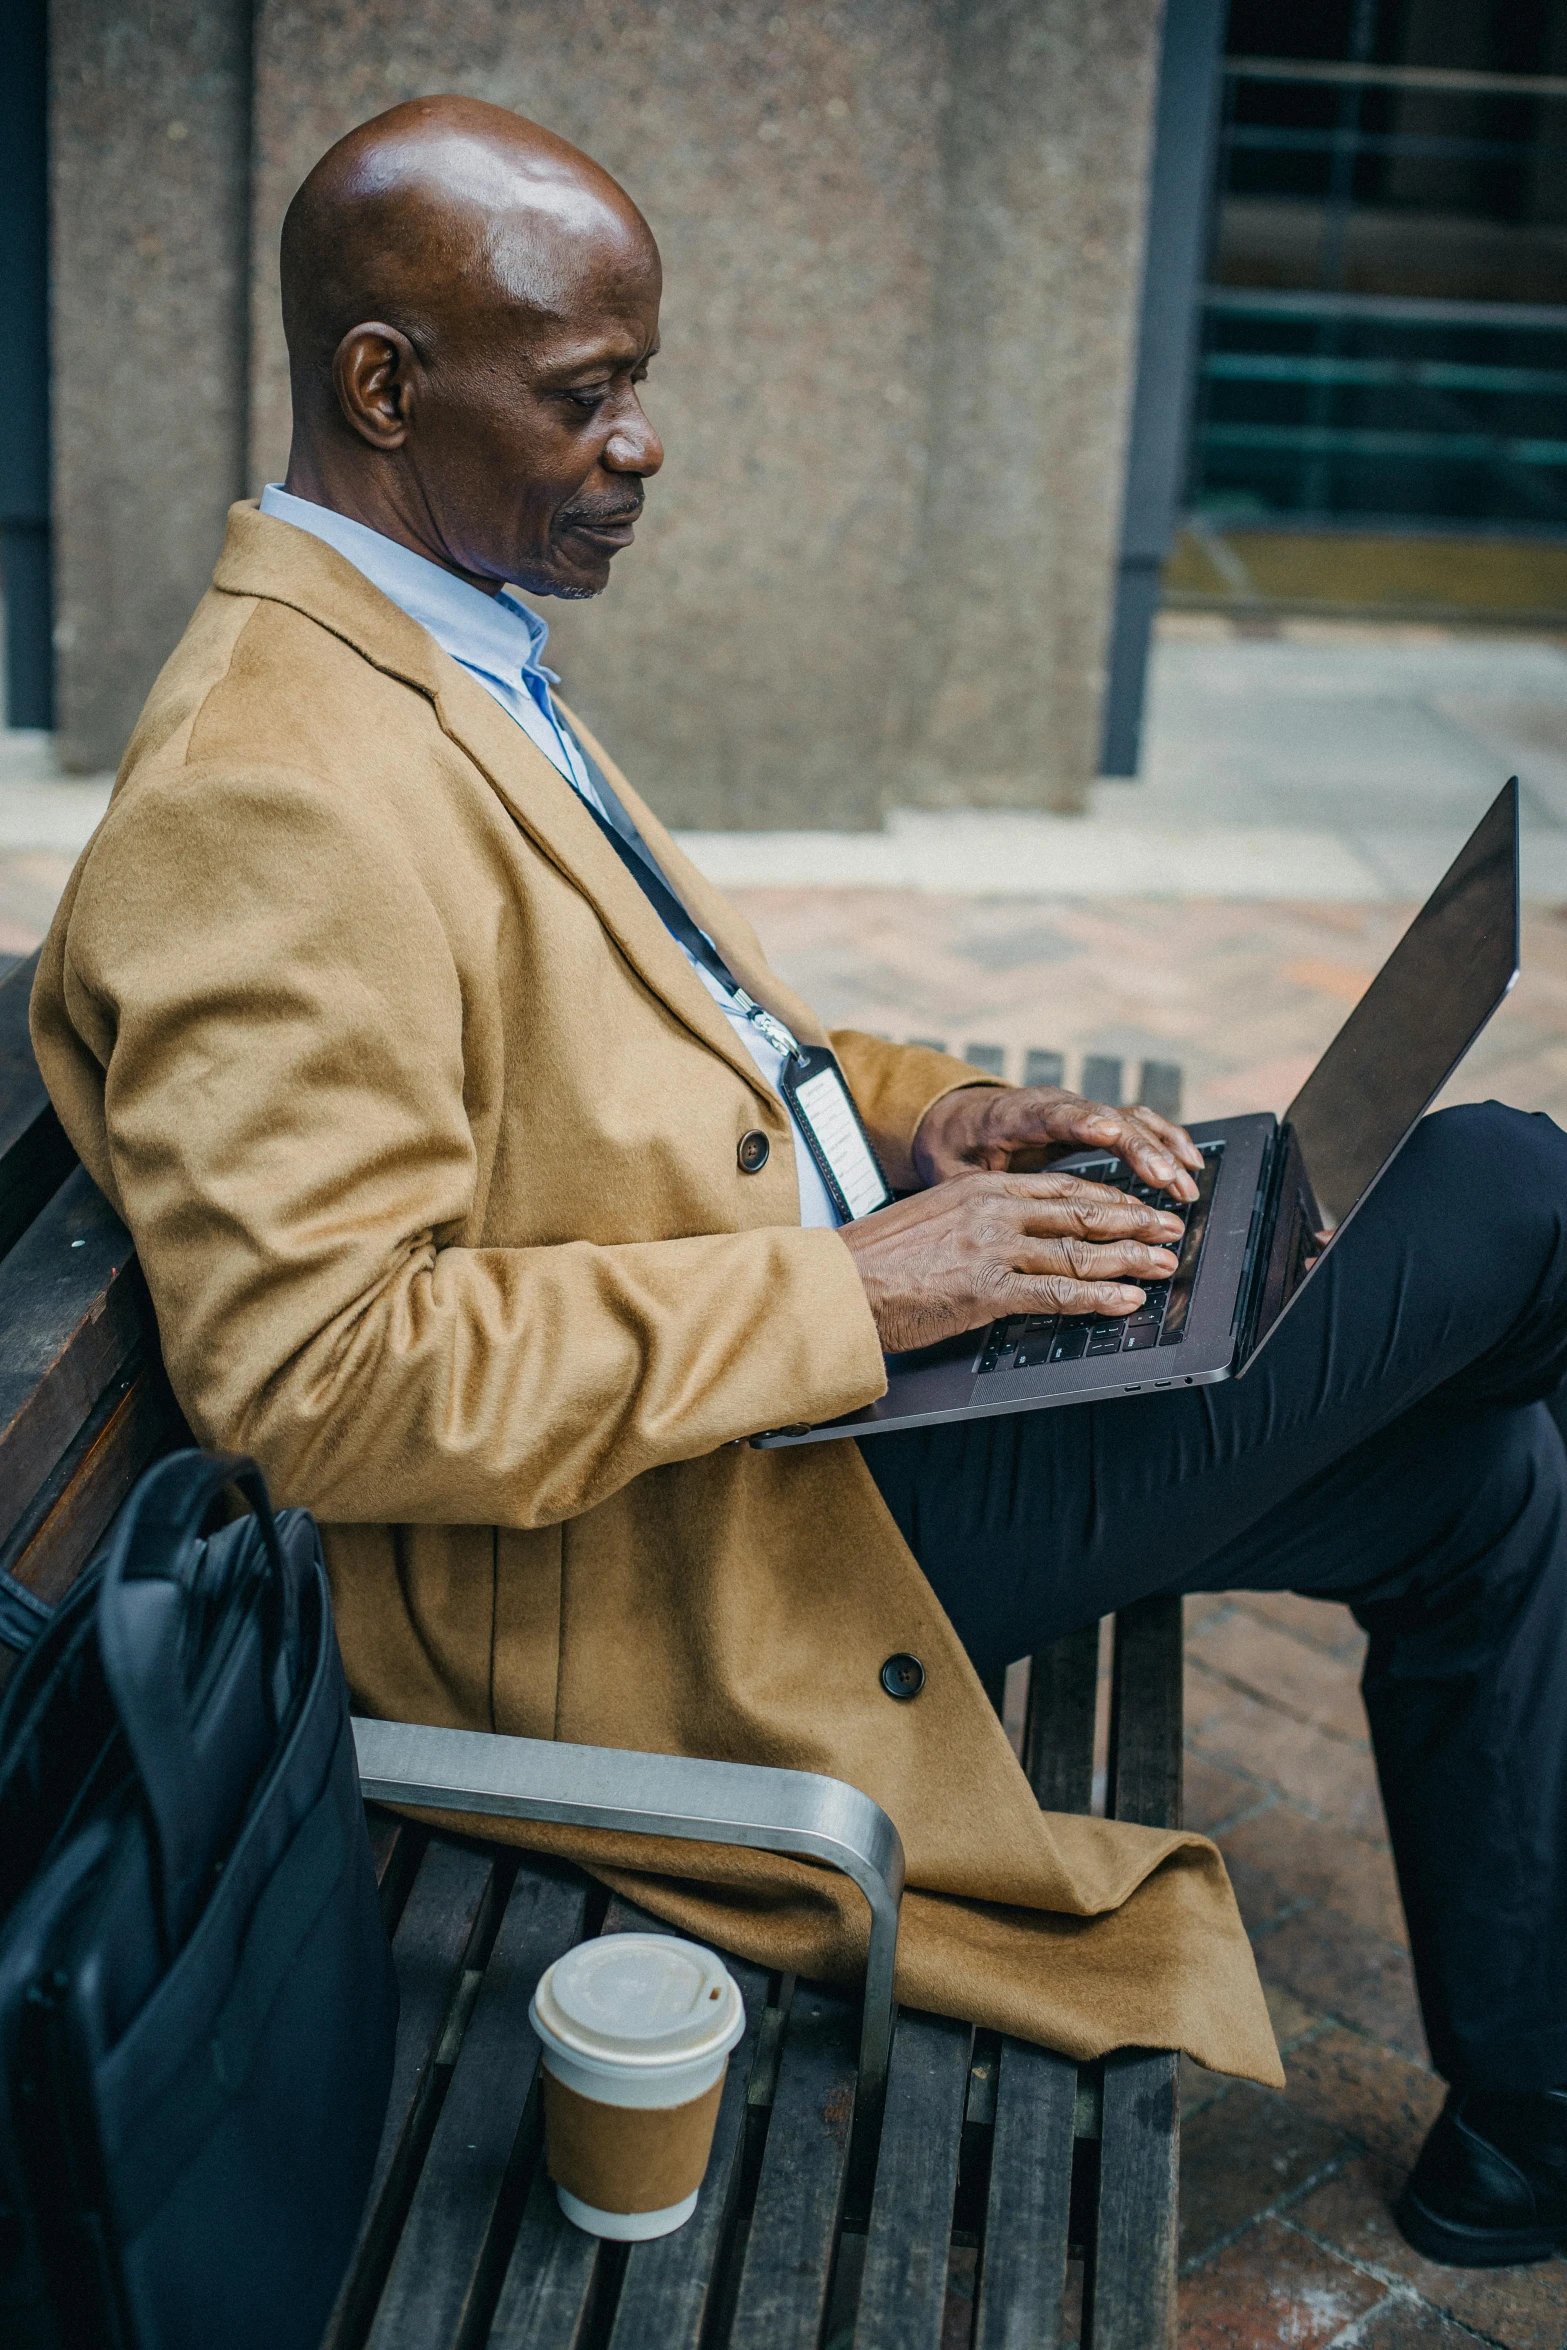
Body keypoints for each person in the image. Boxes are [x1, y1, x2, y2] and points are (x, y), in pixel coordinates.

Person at [30, 98, 1567, 2266]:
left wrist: (941, 1119)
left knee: (1478, 1477)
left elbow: (698, 1047)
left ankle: (1537, 2132)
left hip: (819, 1401)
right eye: (589, 394)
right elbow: (321, 1374)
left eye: (640, 382)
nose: (645, 441)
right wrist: (873, 1286)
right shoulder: (266, 793)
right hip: (711, 1533)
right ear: (385, 387)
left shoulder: (438, 642)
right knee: (1505, 1195)